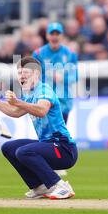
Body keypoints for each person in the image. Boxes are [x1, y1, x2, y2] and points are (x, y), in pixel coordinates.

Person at [0, 57, 78, 199]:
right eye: (19, 73)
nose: (21, 76)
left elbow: (42, 110)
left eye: (25, 72)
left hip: (64, 149)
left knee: (24, 152)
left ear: (36, 74)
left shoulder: (44, 90)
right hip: (48, 145)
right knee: (8, 148)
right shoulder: (29, 93)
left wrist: (17, 102)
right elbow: (15, 112)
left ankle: (60, 186)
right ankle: (40, 187)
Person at [33, 22, 78, 177]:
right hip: (45, 99)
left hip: (63, 101)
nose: (54, 36)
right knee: (44, 132)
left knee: (59, 132)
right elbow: (34, 74)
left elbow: (75, 75)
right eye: (52, 33)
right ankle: (48, 162)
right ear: (47, 36)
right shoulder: (38, 53)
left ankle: (56, 162)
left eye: (57, 33)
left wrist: (62, 77)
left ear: (61, 35)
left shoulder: (69, 54)